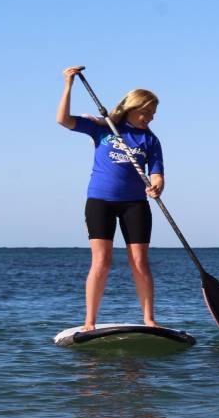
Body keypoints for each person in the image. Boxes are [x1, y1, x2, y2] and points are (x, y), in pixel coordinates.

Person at [56, 66, 165, 331]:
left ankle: (149, 319)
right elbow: (63, 120)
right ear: (132, 108)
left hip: (134, 204)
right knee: (101, 261)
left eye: (153, 113)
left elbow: (158, 174)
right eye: (146, 112)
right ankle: (89, 322)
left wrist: (156, 187)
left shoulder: (150, 140)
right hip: (100, 202)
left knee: (140, 261)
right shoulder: (103, 128)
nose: (150, 118)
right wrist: (68, 84)